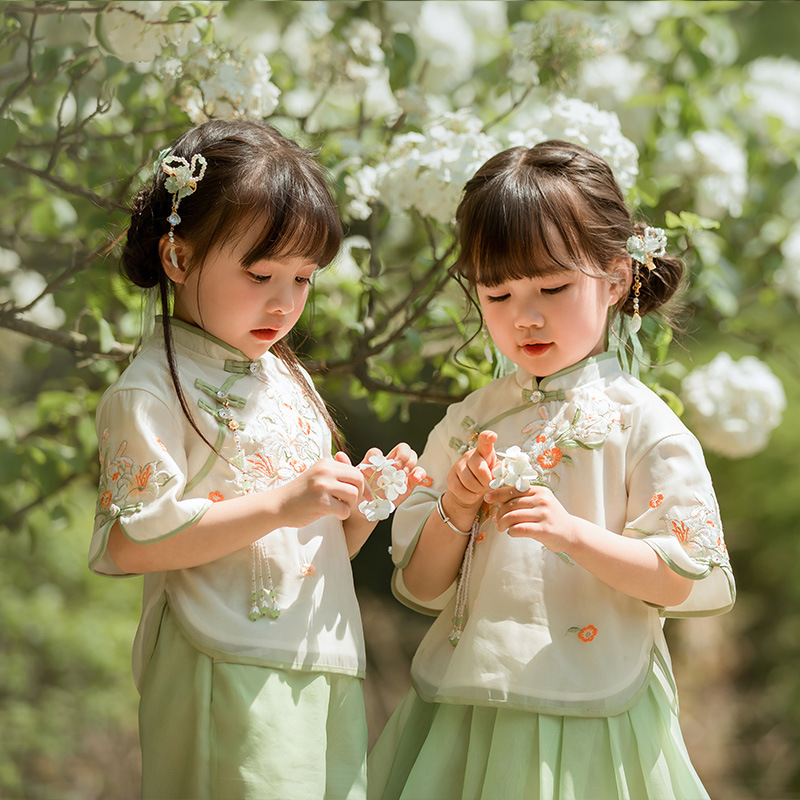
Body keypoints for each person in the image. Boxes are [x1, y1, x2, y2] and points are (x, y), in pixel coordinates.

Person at [367, 140, 735, 800]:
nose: (524, 316)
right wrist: (454, 507)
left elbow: (681, 578)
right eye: (498, 292)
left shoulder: (644, 424)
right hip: (469, 710)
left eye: (553, 287)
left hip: (599, 715)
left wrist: (573, 536)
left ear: (616, 277)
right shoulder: (467, 423)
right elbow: (421, 585)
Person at [88, 118, 426, 800]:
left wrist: (361, 503)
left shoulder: (288, 380)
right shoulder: (149, 388)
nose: (284, 301)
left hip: (320, 660)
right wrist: (284, 501)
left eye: (303, 278)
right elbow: (128, 543)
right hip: (223, 658)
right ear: (178, 258)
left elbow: (317, 542)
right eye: (261, 272)